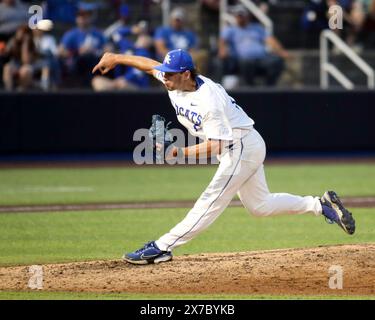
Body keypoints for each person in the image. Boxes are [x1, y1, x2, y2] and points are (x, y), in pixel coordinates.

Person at [92, 49, 356, 265]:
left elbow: (217, 144)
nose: (165, 77)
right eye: (166, 73)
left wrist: (180, 152)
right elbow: (150, 65)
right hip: (245, 144)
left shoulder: (209, 101)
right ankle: (320, 205)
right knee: (260, 206)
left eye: (170, 74)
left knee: (211, 200)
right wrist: (116, 57)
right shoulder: (173, 79)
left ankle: (162, 247)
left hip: (240, 146)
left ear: (186, 74)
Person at [219, 5, 289, 87]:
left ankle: (269, 88)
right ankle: (251, 88)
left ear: (247, 16)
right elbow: (223, 41)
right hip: (241, 60)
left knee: (276, 61)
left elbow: (270, 40)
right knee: (246, 62)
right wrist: (223, 50)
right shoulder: (230, 30)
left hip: (261, 58)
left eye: (242, 15)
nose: (240, 18)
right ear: (235, 16)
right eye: (238, 15)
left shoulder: (257, 28)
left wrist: (281, 51)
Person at [58, 2, 108, 87]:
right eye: (80, 15)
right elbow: (60, 51)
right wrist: (77, 51)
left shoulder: (98, 34)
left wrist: (96, 51)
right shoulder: (71, 34)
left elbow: (108, 49)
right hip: (78, 66)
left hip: (95, 65)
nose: (82, 18)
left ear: (90, 17)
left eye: (85, 15)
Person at [154, 7, 208, 74]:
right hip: (169, 56)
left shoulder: (189, 34)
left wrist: (185, 57)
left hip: (185, 56)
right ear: (171, 19)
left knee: (202, 54)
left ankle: (197, 80)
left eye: (179, 20)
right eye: (176, 20)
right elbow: (160, 49)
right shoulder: (163, 31)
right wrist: (175, 57)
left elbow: (193, 49)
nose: (177, 22)